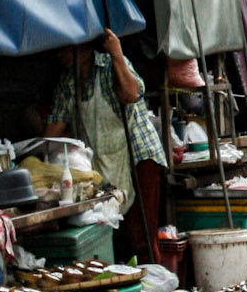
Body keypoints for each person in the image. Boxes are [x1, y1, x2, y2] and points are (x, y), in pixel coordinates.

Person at [48, 29, 169, 256]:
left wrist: (116, 54)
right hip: (103, 165)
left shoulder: (109, 65)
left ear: (83, 48)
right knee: (114, 232)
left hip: (138, 156)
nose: (59, 54)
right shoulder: (68, 81)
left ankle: (154, 285)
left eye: (65, 47)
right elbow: (54, 129)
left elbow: (131, 93)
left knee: (141, 236)